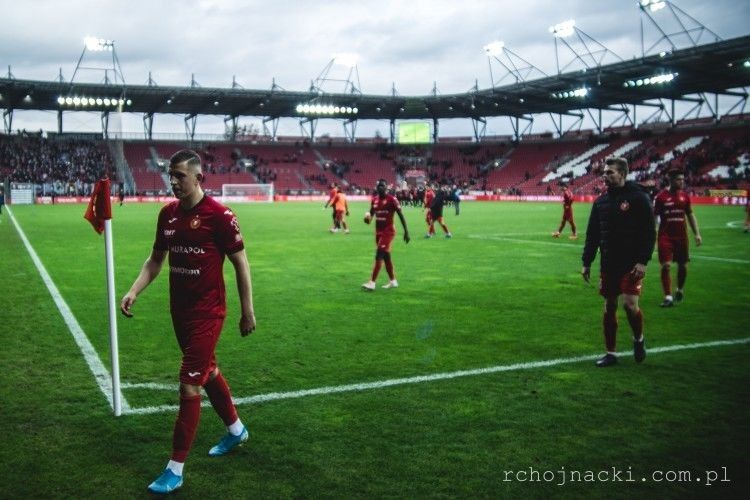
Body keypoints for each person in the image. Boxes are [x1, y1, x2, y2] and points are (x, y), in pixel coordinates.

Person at [120, 150, 256, 494]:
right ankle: (237, 430)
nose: (173, 181)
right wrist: (134, 290)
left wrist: (247, 311)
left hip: (208, 313)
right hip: (179, 312)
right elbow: (155, 260)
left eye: (180, 175)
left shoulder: (220, 216)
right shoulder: (167, 215)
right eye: (171, 175)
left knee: (189, 384)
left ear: (198, 178)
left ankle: (175, 469)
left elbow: (241, 262)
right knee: (207, 372)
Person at [582, 157, 656, 368]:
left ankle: (638, 339)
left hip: (631, 263)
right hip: (608, 263)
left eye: (610, 172)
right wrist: (587, 262)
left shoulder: (638, 198)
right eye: (604, 172)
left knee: (630, 305)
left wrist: (642, 261)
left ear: (622, 174)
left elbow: (649, 232)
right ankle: (611, 353)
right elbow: (593, 234)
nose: (605, 176)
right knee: (610, 305)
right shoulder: (600, 202)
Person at [653, 170, 702, 307]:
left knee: (683, 266)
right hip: (665, 236)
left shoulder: (684, 197)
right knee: (666, 265)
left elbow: (690, 215)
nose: (682, 182)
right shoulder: (660, 197)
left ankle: (679, 289)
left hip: (681, 237)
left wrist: (697, 234)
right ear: (671, 180)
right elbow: (655, 217)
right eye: (678, 179)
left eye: (683, 179)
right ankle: (668, 296)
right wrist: (653, 233)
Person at [362, 180, 410, 290]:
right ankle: (393, 281)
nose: (380, 188)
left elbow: (401, 215)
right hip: (378, 232)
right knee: (386, 257)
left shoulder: (392, 199)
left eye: (382, 186)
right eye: (379, 186)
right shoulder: (374, 200)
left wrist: (406, 232)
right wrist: (366, 219)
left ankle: (372, 283)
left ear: (386, 187)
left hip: (388, 232)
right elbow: (370, 218)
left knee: (379, 255)